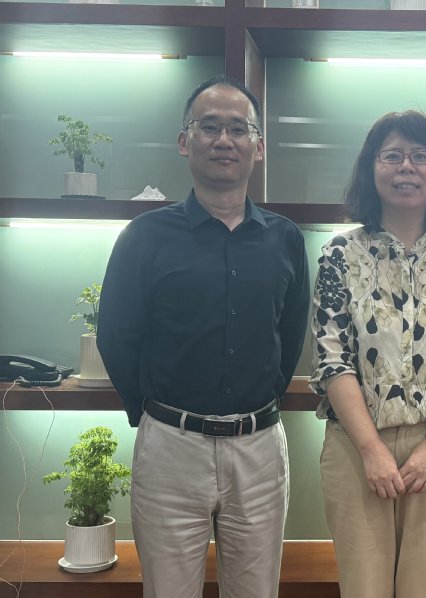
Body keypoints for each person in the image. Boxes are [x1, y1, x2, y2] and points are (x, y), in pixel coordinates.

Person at [97, 75, 310, 598]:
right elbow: (116, 337)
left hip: (259, 448)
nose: (224, 140)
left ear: (259, 146)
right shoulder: (144, 236)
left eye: (239, 128)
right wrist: (150, 416)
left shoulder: (285, 239)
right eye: (209, 126)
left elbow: (289, 336)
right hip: (170, 446)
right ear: (183, 141)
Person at [309, 109, 426, 598]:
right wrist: (372, 450)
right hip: (355, 446)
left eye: (421, 156)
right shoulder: (339, 254)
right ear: (371, 169)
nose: (406, 167)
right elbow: (331, 356)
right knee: (364, 590)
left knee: (425, 589)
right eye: (391, 156)